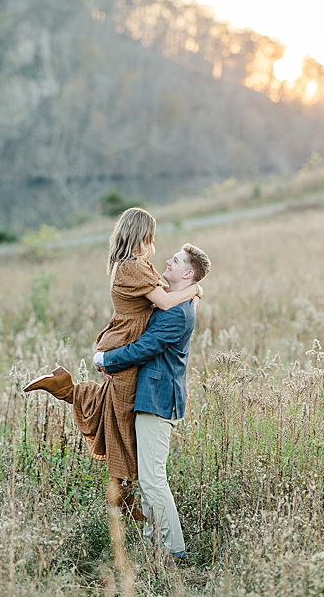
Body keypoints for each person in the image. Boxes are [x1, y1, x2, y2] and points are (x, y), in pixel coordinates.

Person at [23, 208, 201, 517]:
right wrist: (195, 289)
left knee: (114, 411)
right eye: (152, 237)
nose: (155, 244)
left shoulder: (135, 265)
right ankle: (126, 497)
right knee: (119, 421)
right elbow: (166, 301)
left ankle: (66, 388)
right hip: (125, 342)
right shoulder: (133, 267)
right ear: (142, 237)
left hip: (123, 338)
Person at [93, 243, 210, 564]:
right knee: (147, 478)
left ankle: (174, 552)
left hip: (158, 402)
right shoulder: (169, 302)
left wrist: (105, 358)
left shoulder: (177, 313)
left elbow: (144, 347)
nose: (167, 261)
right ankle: (155, 547)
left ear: (188, 273)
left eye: (176, 261)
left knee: (153, 479)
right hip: (149, 398)